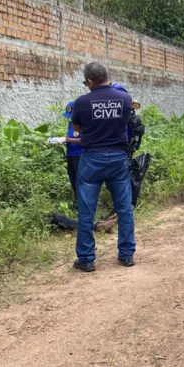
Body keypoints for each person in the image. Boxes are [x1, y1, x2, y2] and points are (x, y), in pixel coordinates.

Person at [71, 62, 136, 272]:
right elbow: (127, 123)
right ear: (109, 76)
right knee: (124, 208)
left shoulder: (81, 102)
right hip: (118, 158)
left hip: (92, 159)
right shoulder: (125, 99)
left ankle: (86, 259)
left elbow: (77, 129)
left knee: (86, 210)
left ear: (90, 81)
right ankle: (126, 255)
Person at [63, 101, 83, 202]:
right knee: (73, 180)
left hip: (80, 155)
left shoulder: (84, 123)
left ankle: (83, 205)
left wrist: (70, 140)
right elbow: (71, 136)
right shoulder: (71, 123)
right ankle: (77, 203)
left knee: (80, 182)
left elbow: (86, 139)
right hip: (70, 154)